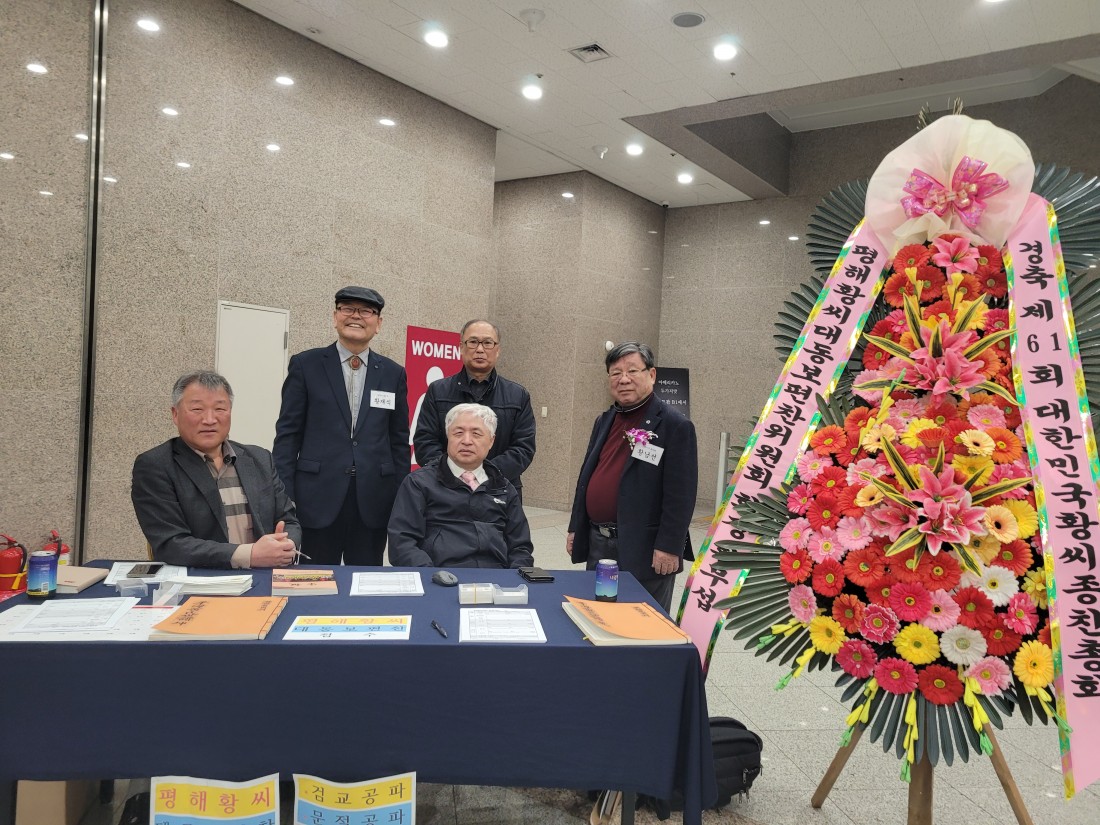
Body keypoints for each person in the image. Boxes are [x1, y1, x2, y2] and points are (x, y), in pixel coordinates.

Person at [273, 286, 410, 566]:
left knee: (366, 581)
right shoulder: (306, 365)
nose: (356, 316)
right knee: (314, 580)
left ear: (378, 323)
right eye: (347, 308)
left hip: (373, 499)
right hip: (316, 498)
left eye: (366, 311)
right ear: (335, 316)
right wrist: (284, 497)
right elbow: (288, 436)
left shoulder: (393, 373)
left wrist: (400, 498)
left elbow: (398, 441)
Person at [566, 342, 697, 612]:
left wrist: (669, 546)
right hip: (599, 541)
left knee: (643, 620)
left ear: (652, 374)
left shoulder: (674, 425)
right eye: (616, 373)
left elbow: (681, 495)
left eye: (632, 371)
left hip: (645, 548)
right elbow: (586, 478)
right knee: (599, 614)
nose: (623, 379)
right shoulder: (605, 420)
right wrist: (575, 527)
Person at [131, 371, 300, 568]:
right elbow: (171, 544)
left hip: (264, 574)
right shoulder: (156, 466)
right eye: (197, 409)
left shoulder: (260, 458)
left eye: (220, 409)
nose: (210, 419)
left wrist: (285, 545)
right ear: (175, 414)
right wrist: (249, 555)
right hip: (201, 577)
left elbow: (289, 521)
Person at [389, 403, 533, 569]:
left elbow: (520, 548)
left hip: (495, 576)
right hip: (439, 575)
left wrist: (513, 578)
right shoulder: (419, 483)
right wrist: (430, 575)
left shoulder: (503, 488)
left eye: (476, 434)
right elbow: (402, 543)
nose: (466, 441)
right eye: (458, 433)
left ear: (491, 441)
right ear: (448, 436)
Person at [413, 320, 536, 499]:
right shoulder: (437, 391)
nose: (480, 349)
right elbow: (425, 442)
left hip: (500, 490)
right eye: (473, 342)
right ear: (461, 347)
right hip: (445, 491)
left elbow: (523, 448)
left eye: (487, 343)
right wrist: (455, 475)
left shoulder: (518, 395)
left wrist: (483, 475)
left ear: (497, 350)